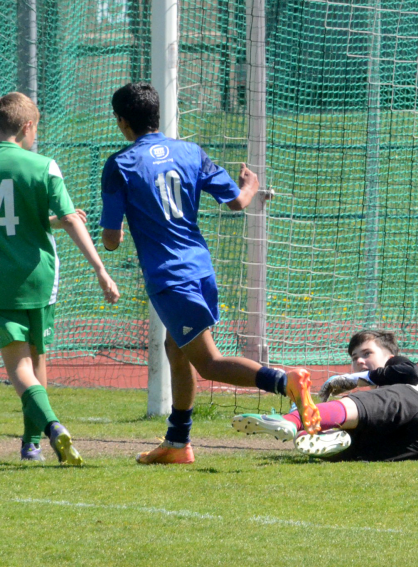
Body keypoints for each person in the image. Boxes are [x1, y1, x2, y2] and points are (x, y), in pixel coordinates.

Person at [99, 83, 320, 465]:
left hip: (170, 277)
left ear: (122, 121)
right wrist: (250, 185)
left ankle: (285, 382)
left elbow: (112, 241)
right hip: (200, 269)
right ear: (157, 114)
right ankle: (177, 443)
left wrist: (110, 228)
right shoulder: (191, 152)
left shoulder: (120, 164)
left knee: (209, 362)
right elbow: (236, 201)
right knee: (175, 349)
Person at [0, 91, 121, 465]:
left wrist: (46, 220)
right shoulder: (44, 166)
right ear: (27, 126)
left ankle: (50, 428)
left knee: (18, 367)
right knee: (38, 359)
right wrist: (100, 269)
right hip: (39, 277)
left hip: (3, 282)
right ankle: (31, 444)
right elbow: (69, 219)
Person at [232, 330, 418, 462]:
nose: (359, 361)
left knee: (358, 407)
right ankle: (324, 438)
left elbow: (408, 371)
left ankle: (293, 419)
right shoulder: (380, 395)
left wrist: (356, 378)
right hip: (413, 447)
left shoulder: (399, 367)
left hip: (417, 404)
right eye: (355, 358)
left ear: (390, 356)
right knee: (353, 445)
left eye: (367, 353)